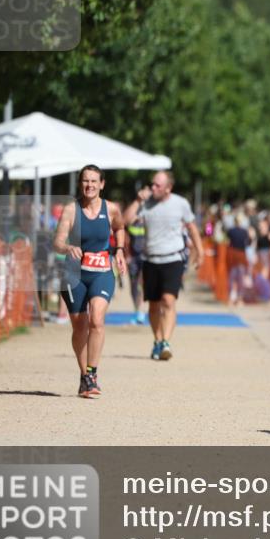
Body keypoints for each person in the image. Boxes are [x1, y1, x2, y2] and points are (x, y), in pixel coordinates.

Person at [52, 165, 127, 398]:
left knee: (97, 319)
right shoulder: (71, 210)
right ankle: (84, 374)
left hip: (101, 272)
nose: (90, 185)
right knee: (80, 326)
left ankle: (92, 374)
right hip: (74, 274)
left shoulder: (111, 209)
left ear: (102, 184)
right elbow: (57, 242)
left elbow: (120, 227)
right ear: (80, 184)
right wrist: (68, 248)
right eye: (86, 181)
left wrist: (120, 250)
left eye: (94, 181)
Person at [123, 170, 203, 361]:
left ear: (168, 188)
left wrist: (200, 252)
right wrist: (137, 200)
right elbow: (125, 221)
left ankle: (166, 341)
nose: (153, 188)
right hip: (151, 259)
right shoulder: (145, 204)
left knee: (168, 300)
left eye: (158, 185)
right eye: (152, 184)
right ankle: (157, 341)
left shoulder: (180, 203)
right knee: (153, 305)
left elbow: (192, 228)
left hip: (173, 259)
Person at [125, 216, 148, 324]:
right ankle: (137, 310)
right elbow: (126, 238)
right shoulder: (131, 222)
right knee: (133, 285)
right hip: (133, 258)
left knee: (142, 284)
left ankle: (141, 312)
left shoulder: (148, 220)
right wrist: (127, 255)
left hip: (145, 257)